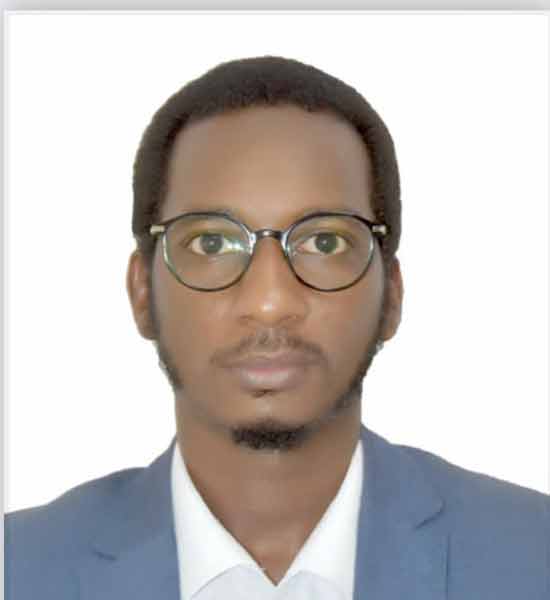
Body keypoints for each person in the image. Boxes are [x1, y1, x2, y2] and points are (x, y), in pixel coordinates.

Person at [4, 55, 549, 600]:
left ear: (392, 295)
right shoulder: (19, 568)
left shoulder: (533, 554)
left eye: (325, 242)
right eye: (211, 242)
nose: (269, 302)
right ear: (142, 292)